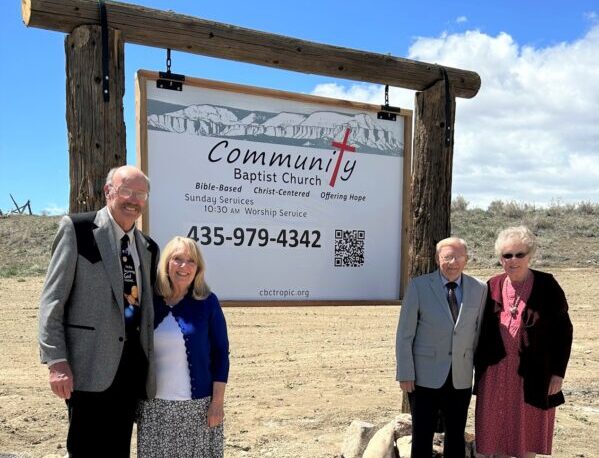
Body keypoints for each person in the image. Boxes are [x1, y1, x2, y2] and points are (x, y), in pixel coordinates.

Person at [38, 165, 159, 457]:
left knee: (118, 450)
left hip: (132, 369)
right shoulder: (78, 229)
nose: (133, 199)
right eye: (126, 191)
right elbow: (52, 300)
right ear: (108, 191)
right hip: (89, 367)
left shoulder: (147, 247)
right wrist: (56, 361)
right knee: (85, 450)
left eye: (140, 194)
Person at [474, 226, 573, 458]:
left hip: (534, 375)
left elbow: (564, 332)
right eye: (507, 255)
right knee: (494, 436)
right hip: (495, 375)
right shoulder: (492, 286)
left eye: (520, 254)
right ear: (500, 259)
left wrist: (558, 373)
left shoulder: (547, 285)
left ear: (530, 255)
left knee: (526, 438)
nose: (514, 260)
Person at [137, 236, 229, 457]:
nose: (184, 266)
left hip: (198, 409)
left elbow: (221, 355)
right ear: (167, 262)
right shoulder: (150, 301)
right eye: (177, 259)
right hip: (154, 410)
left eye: (191, 261)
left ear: (198, 268)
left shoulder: (208, 302)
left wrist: (217, 403)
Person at [396, 237, 487, 458]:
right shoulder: (419, 286)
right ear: (438, 259)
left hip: (461, 377)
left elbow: (479, 335)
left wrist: (479, 375)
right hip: (423, 377)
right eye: (447, 257)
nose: (452, 262)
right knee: (422, 435)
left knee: (455, 436)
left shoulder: (479, 289)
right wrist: (405, 373)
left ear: (466, 259)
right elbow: (404, 334)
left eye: (458, 257)